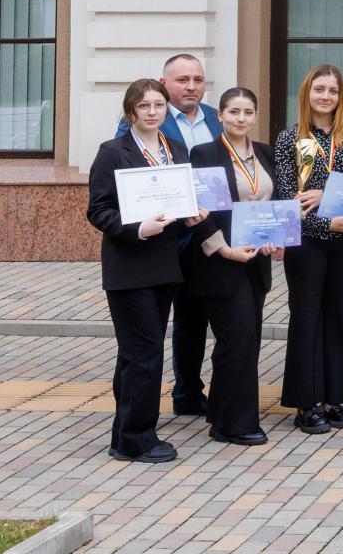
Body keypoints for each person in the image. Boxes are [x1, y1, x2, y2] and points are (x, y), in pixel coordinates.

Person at [88, 79, 204, 463]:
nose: (152, 112)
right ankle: (139, 437)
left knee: (135, 353)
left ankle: (123, 435)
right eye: (144, 106)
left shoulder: (175, 148)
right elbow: (99, 210)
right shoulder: (112, 152)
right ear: (131, 113)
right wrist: (136, 228)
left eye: (158, 105)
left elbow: (179, 198)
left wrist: (191, 215)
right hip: (129, 266)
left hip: (164, 266)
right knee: (145, 354)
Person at [112, 53, 221, 419]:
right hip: (157, 243)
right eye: (182, 80)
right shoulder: (145, 119)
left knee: (193, 321)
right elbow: (124, 181)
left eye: (198, 79)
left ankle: (188, 392)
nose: (191, 86)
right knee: (144, 332)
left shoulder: (216, 118)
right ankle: (128, 405)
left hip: (202, 236)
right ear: (163, 82)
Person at [275, 64, 343, 435]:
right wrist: (325, 221)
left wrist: (328, 192)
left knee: (342, 317)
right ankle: (307, 402)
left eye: (333, 91)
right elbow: (289, 199)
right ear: (307, 93)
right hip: (308, 243)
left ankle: (334, 398)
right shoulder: (291, 139)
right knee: (307, 318)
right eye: (319, 89)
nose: (326, 96)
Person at [187, 87, 276, 447]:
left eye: (248, 112)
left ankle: (220, 415)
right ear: (220, 115)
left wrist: (275, 237)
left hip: (256, 263)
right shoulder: (205, 154)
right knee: (237, 340)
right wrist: (223, 250)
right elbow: (198, 212)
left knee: (244, 342)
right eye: (234, 112)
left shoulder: (266, 154)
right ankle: (238, 424)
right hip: (221, 262)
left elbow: (277, 202)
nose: (241, 118)